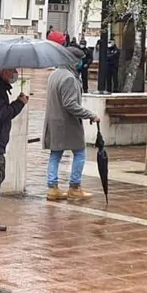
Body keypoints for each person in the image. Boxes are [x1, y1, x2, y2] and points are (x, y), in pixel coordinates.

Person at [43, 46, 98, 202]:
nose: (81, 63)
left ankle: (52, 187)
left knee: (55, 154)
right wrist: (90, 115)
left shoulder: (54, 75)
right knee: (80, 153)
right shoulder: (69, 78)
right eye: (79, 60)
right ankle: (75, 187)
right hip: (67, 123)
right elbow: (70, 104)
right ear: (73, 61)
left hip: (54, 121)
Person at [0, 68, 27, 232]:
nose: (15, 73)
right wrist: (19, 104)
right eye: (12, 70)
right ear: (3, 71)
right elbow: (0, 114)